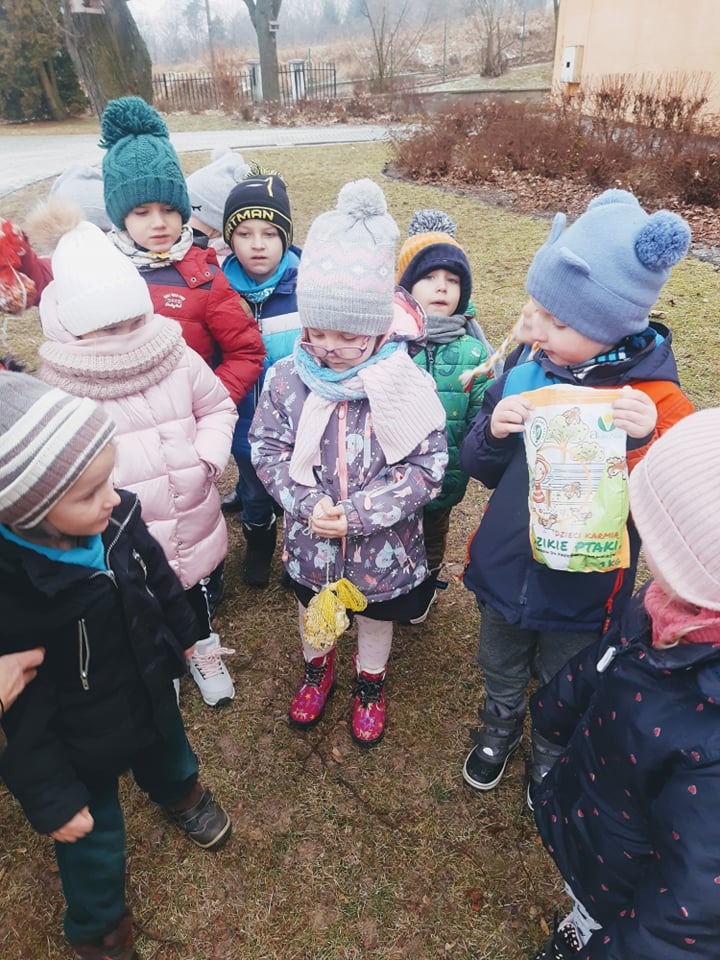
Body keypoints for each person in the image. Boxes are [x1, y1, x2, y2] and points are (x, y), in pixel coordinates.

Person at [459, 189, 695, 794]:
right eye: (540, 314)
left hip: (585, 586)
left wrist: (644, 443)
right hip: (509, 567)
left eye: (559, 322)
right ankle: (499, 723)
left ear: (608, 325)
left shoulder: (657, 404)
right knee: (500, 659)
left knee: (567, 672)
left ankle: (552, 742)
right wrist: (493, 429)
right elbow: (479, 465)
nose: (540, 331)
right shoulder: (525, 373)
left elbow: (675, 510)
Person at [0, 373, 230, 960]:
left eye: (110, 476)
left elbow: (157, 573)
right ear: (28, 514)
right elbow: (21, 720)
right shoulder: (16, 597)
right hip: (81, 737)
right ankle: (99, 927)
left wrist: (186, 636)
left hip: (147, 681)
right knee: (92, 836)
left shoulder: (117, 514)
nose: (113, 497)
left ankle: (181, 794)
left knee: (169, 748)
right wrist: (50, 797)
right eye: (88, 493)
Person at [249, 179, 448, 747]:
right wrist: (307, 502)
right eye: (315, 331)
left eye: (346, 335)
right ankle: (319, 668)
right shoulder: (288, 376)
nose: (327, 346)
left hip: (380, 545)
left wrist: (360, 512)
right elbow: (268, 447)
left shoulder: (401, 381)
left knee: (376, 615)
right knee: (315, 610)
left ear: (379, 328)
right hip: (312, 540)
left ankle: (370, 680)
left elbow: (426, 463)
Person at [28, 199, 238, 708]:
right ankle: (161, 660)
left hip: (188, 508)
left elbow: (216, 406)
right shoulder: (63, 384)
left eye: (127, 323)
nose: (121, 339)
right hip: (121, 530)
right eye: (104, 329)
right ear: (72, 327)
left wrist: (206, 459)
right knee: (139, 602)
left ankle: (200, 649)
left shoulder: (173, 352)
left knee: (194, 593)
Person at [527, 408, 720, 960]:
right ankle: (583, 915)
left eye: (651, 535)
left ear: (697, 566)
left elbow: (689, 911)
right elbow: (609, 660)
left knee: (609, 908)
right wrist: (558, 705)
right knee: (587, 890)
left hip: (635, 868)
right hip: (603, 808)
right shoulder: (665, 607)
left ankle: (589, 936)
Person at [98, 96, 264, 413]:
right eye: (142, 212)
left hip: (186, 431)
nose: (159, 223)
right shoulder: (100, 273)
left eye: (170, 209)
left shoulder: (205, 279)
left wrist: (210, 409)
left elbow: (247, 352)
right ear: (121, 217)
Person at [396, 209, 492, 621]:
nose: (442, 287)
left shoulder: (473, 351)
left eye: (452, 281)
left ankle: (427, 579)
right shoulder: (391, 342)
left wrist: (476, 451)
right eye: (430, 278)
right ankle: (393, 581)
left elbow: (481, 410)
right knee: (397, 531)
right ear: (406, 287)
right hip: (395, 472)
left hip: (446, 472)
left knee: (433, 533)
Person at [221, 168, 303, 588]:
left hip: (299, 429)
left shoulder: (306, 287)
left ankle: (297, 554)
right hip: (244, 426)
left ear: (285, 238)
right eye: (245, 233)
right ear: (229, 239)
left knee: (300, 492)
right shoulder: (216, 290)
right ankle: (258, 542)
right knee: (254, 493)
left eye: (269, 233)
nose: (257, 244)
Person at [186, 146, 251, 263]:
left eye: (191, 209)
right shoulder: (181, 247)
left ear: (216, 223)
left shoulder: (226, 264)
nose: (179, 218)